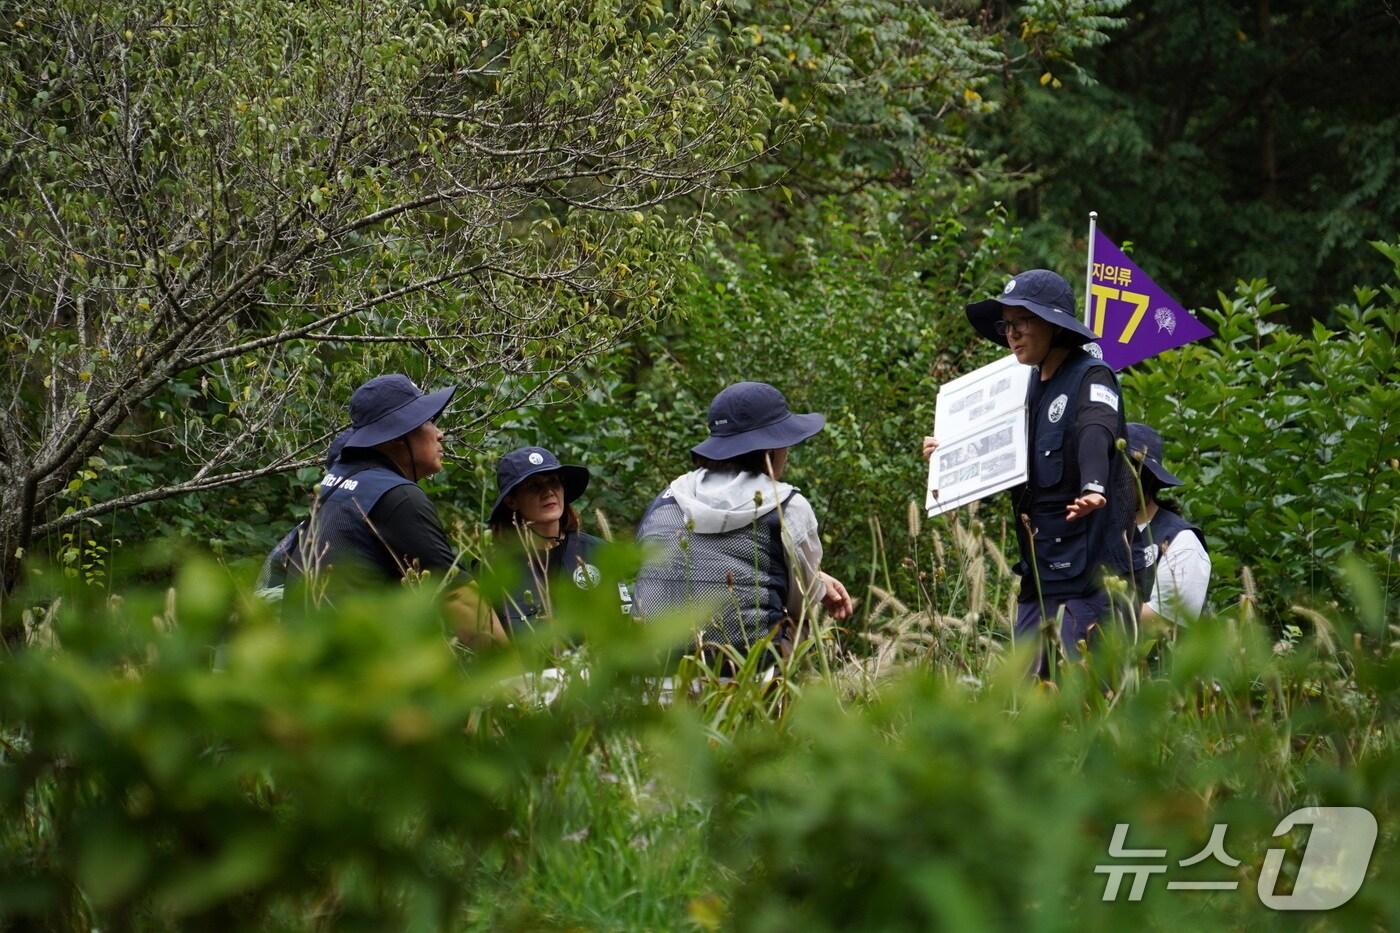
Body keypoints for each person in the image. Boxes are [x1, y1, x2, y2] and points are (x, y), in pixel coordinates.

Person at [924, 269, 1134, 671]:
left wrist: (1094, 485)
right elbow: (986, 445)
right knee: (1024, 702)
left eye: (1023, 321)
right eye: (1007, 324)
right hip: (1038, 578)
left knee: (1088, 701)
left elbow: (1097, 429)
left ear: (1054, 325)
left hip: (1092, 579)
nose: (1012, 334)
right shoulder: (1020, 386)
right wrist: (946, 453)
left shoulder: (1091, 375)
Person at [634, 381, 853, 663]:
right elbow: (801, 601)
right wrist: (816, 585)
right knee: (800, 627)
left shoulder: (668, 498)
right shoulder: (786, 505)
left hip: (655, 675)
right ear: (772, 448)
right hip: (744, 678)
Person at [293, 373, 505, 644]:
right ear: (397, 436)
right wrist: (519, 680)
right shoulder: (395, 496)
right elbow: (461, 602)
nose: (440, 434)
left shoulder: (339, 482)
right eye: (429, 422)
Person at [484, 446, 605, 634]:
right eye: (534, 486)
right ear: (511, 501)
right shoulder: (494, 569)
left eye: (554, 482)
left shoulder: (597, 552)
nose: (548, 492)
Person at [1125, 422, 1210, 626]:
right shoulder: (1096, 533)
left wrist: (1092, 615)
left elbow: (1165, 620)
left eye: (1125, 472)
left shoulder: (1181, 541)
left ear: (1145, 478)